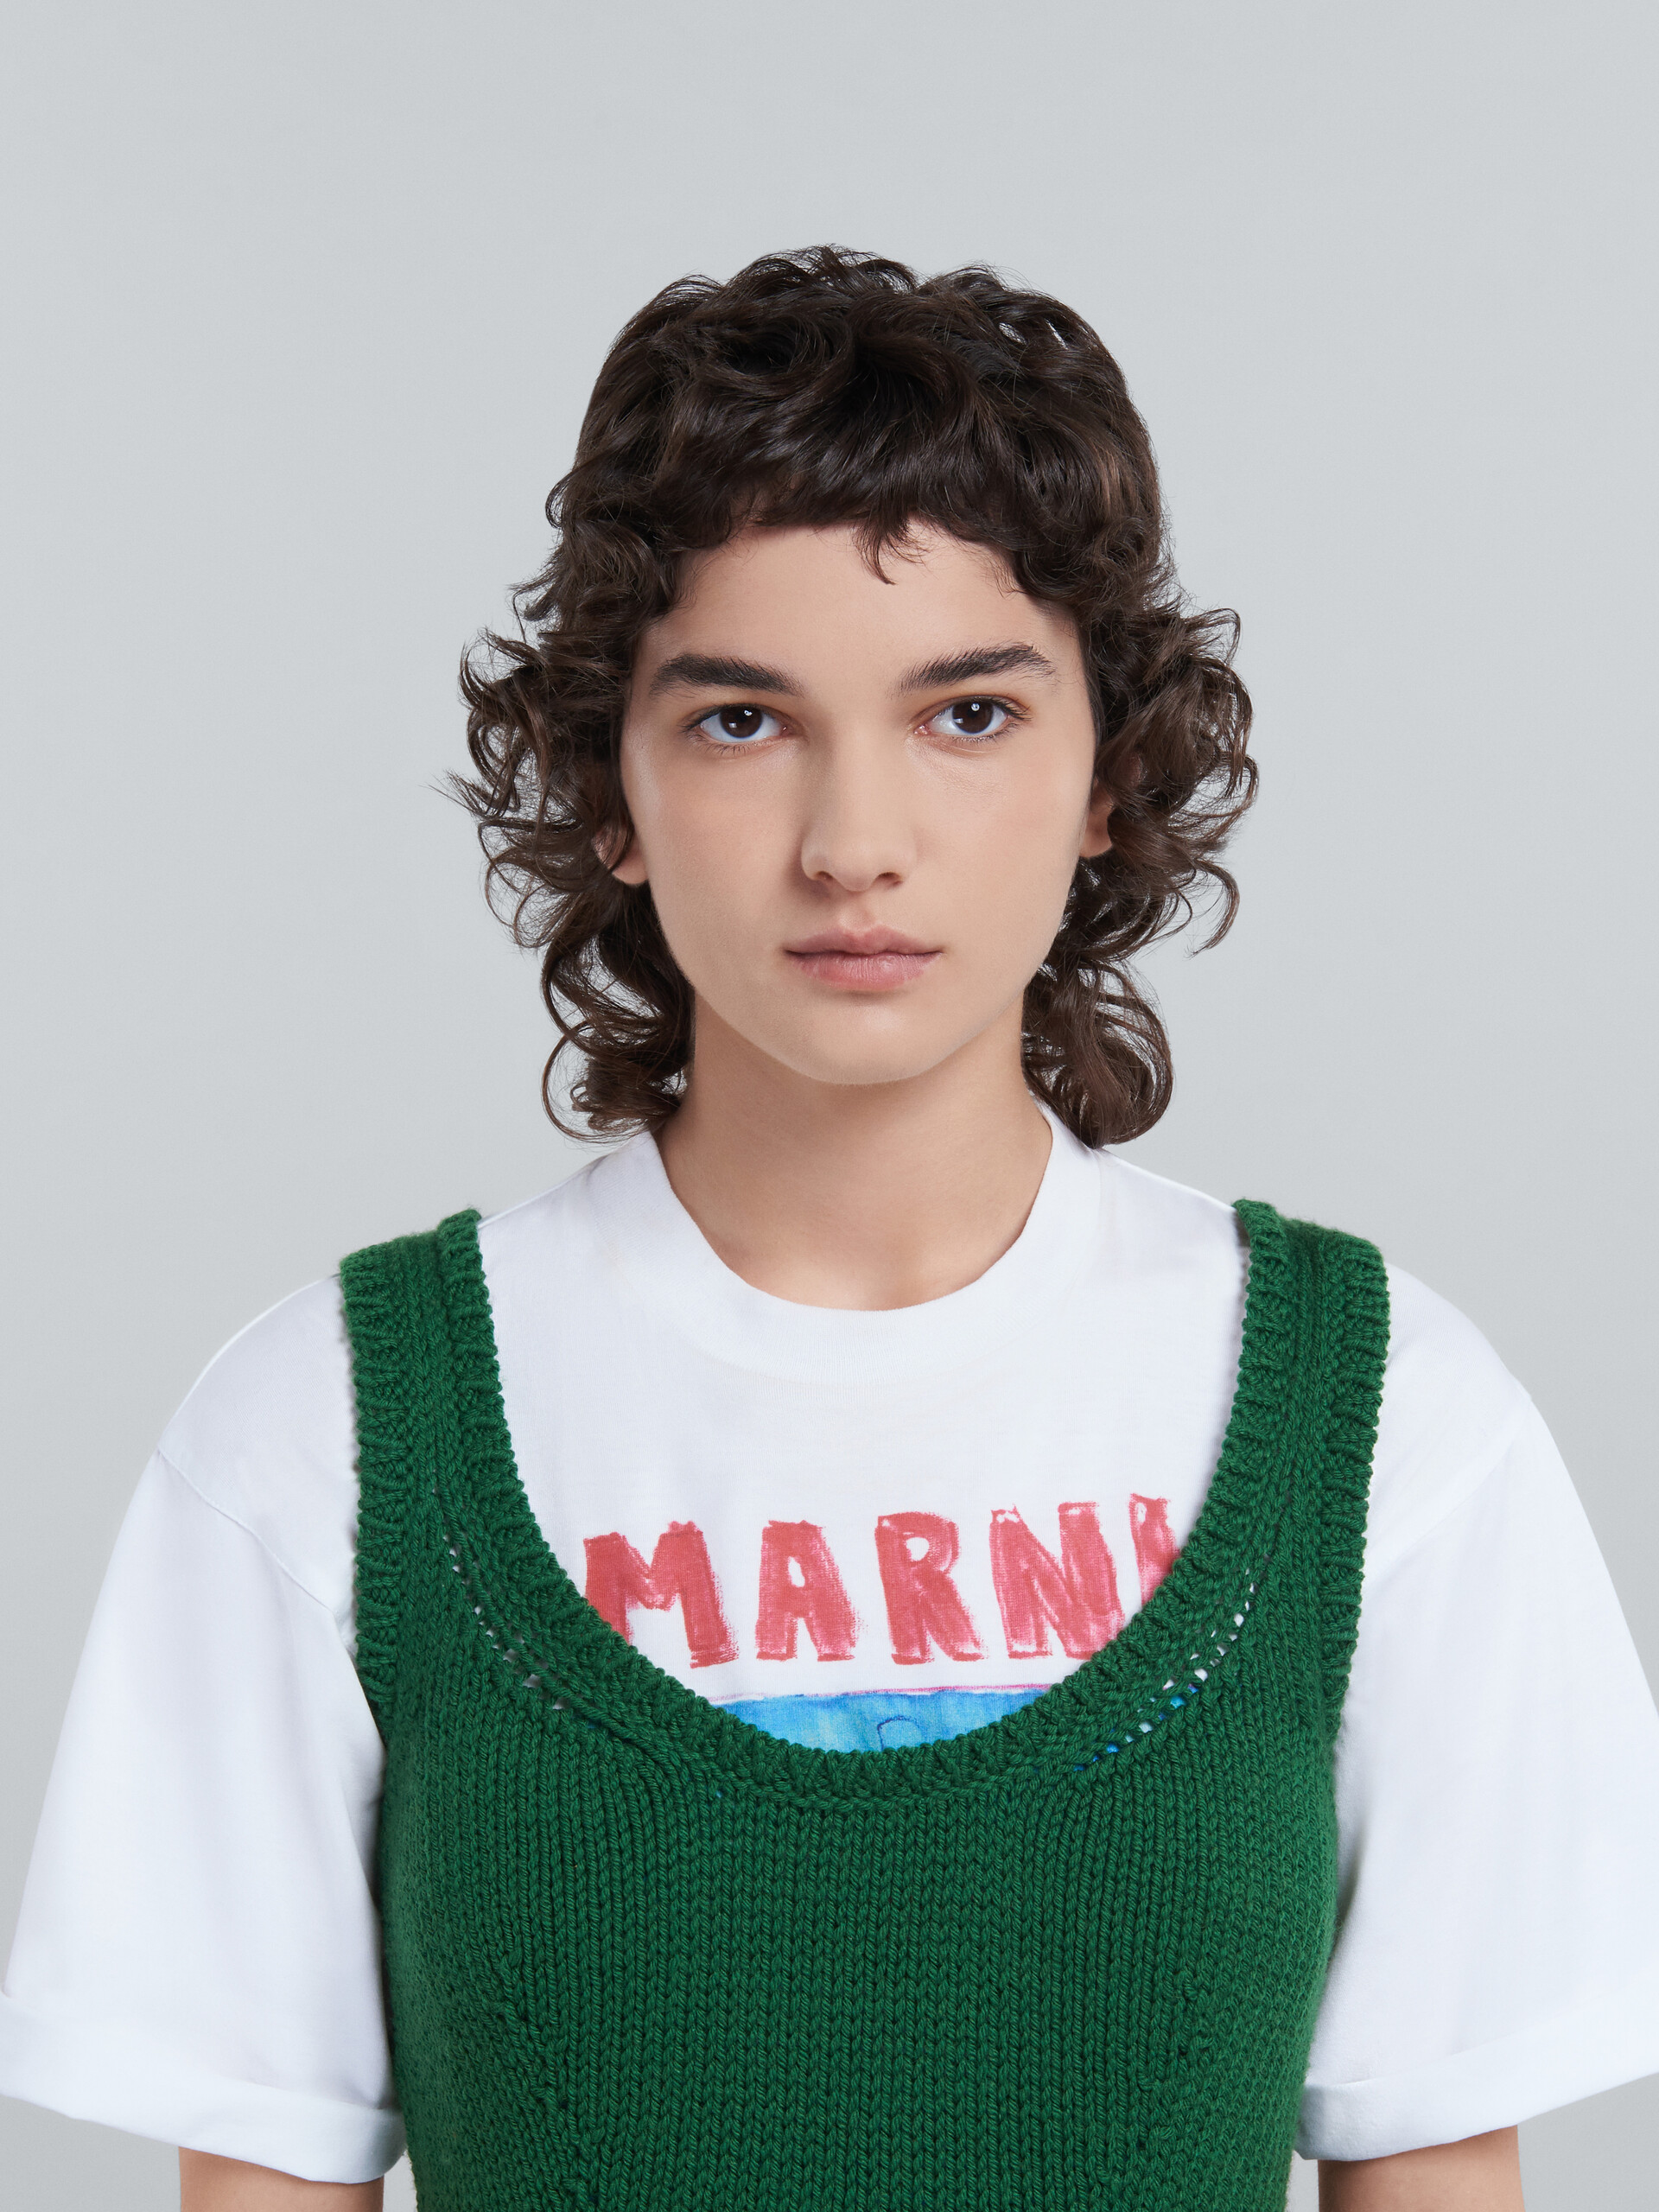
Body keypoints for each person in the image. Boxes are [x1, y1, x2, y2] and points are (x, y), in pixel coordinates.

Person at [3, 247, 1656, 2212]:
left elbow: (1441, 2167)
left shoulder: (1390, 1424)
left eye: (968, 712)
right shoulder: (326, 1433)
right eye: (740, 721)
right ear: (609, 790)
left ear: (1109, 774)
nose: (853, 841)